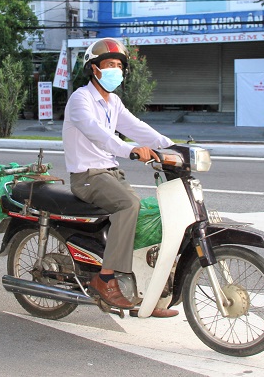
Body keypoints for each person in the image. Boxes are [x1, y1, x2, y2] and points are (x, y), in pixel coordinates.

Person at [62, 38, 178, 318]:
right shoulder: (81, 99)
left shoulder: (113, 102)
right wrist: (131, 150)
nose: (116, 69)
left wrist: (172, 147)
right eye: (109, 64)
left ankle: (142, 293)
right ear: (94, 69)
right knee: (128, 205)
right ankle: (105, 278)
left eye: (119, 65)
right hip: (87, 176)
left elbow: (137, 127)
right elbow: (98, 134)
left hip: (110, 174)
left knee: (144, 212)